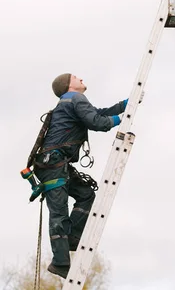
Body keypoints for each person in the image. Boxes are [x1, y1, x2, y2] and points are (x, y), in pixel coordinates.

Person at [34, 72, 129, 279]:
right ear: (69, 85)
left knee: (86, 194)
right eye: (76, 77)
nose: (81, 78)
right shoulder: (75, 98)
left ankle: (71, 239)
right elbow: (98, 122)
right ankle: (60, 262)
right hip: (54, 164)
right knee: (59, 213)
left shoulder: (71, 101)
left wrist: (125, 105)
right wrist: (122, 119)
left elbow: (98, 113)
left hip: (57, 163)